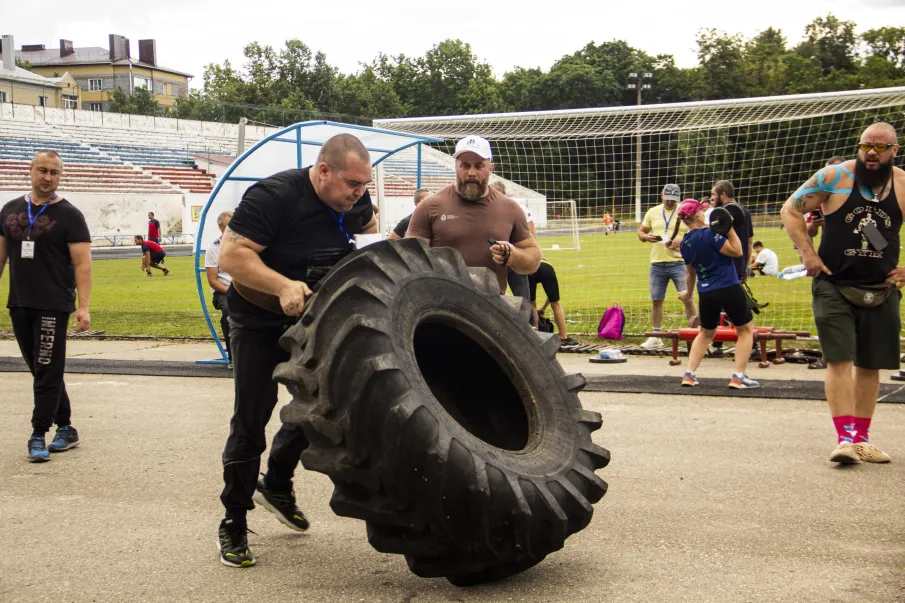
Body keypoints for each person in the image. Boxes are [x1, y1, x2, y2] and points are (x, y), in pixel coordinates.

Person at [215, 133, 377, 568]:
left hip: (313, 319)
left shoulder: (355, 202)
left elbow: (366, 235)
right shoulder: (275, 195)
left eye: (364, 185)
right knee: (252, 415)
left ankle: (278, 484)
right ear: (323, 171)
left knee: (324, 407)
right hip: (258, 319)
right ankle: (233, 519)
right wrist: (282, 284)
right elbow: (232, 257)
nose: (358, 194)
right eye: (351, 184)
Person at [780, 122, 902, 465]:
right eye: (866, 146)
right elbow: (791, 209)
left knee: (870, 366)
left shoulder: (904, 184)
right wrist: (807, 252)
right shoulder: (835, 176)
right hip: (834, 284)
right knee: (840, 360)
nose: (872, 153)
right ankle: (845, 438)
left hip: (882, 287)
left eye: (880, 147)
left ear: (895, 149)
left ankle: (862, 439)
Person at [0, 149, 92, 462]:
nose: (48, 177)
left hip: (54, 304)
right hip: (20, 303)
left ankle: (39, 433)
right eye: (42, 170)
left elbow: (83, 264)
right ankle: (66, 427)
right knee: (41, 369)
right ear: (31, 170)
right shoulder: (10, 209)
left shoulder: (70, 215)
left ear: (60, 176)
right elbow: (1, 256)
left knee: (47, 369)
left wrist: (84, 306)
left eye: (54, 172)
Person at [406, 135, 541, 294]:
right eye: (465, 166)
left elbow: (533, 258)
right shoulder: (429, 206)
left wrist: (514, 255)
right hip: (440, 309)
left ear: (490, 168)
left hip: (491, 309)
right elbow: (410, 259)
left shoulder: (510, 208)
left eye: (478, 166)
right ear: (456, 167)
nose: (471, 173)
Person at [676, 199, 760, 389]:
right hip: (729, 287)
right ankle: (738, 377)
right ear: (698, 215)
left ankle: (689, 374)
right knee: (745, 331)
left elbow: (690, 273)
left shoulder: (685, 242)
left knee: (706, 332)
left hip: (706, 292)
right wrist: (729, 227)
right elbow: (738, 251)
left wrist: (688, 294)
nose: (705, 213)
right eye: (702, 211)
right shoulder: (711, 234)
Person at [638, 183, 697, 349]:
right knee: (656, 300)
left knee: (688, 298)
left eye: (674, 200)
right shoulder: (653, 211)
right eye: (668, 199)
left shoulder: (685, 212)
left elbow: (696, 232)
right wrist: (645, 237)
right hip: (657, 262)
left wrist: (682, 243)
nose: (670, 203)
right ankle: (656, 336)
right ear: (662, 195)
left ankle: (695, 335)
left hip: (680, 262)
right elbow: (641, 232)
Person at [490, 180, 537, 306]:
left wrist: (523, 253)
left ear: (504, 193)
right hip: (495, 259)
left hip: (514, 258)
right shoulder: (487, 208)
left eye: (497, 193)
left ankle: (527, 324)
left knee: (523, 300)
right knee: (492, 297)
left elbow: (531, 234)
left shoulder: (517, 208)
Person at [528, 259, 580, 349]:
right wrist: (544, 307)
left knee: (532, 305)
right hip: (546, 267)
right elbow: (552, 297)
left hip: (529, 268)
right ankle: (563, 337)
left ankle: (536, 337)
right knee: (556, 303)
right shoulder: (547, 265)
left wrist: (543, 308)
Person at [205, 211, 234, 368]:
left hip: (245, 289)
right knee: (230, 312)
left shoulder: (245, 244)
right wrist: (231, 292)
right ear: (220, 227)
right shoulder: (214, 248)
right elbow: (212, 280)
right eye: (230, 225)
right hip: (224, 291)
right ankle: (233, 357)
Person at [806, 156, 846, 241]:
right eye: (827, 171)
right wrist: (814, 224)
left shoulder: (861, 192)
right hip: (831, 248)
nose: (830, 175)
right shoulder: (821, 199)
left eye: (834, 170)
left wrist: (879, 245)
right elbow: (810, 233)